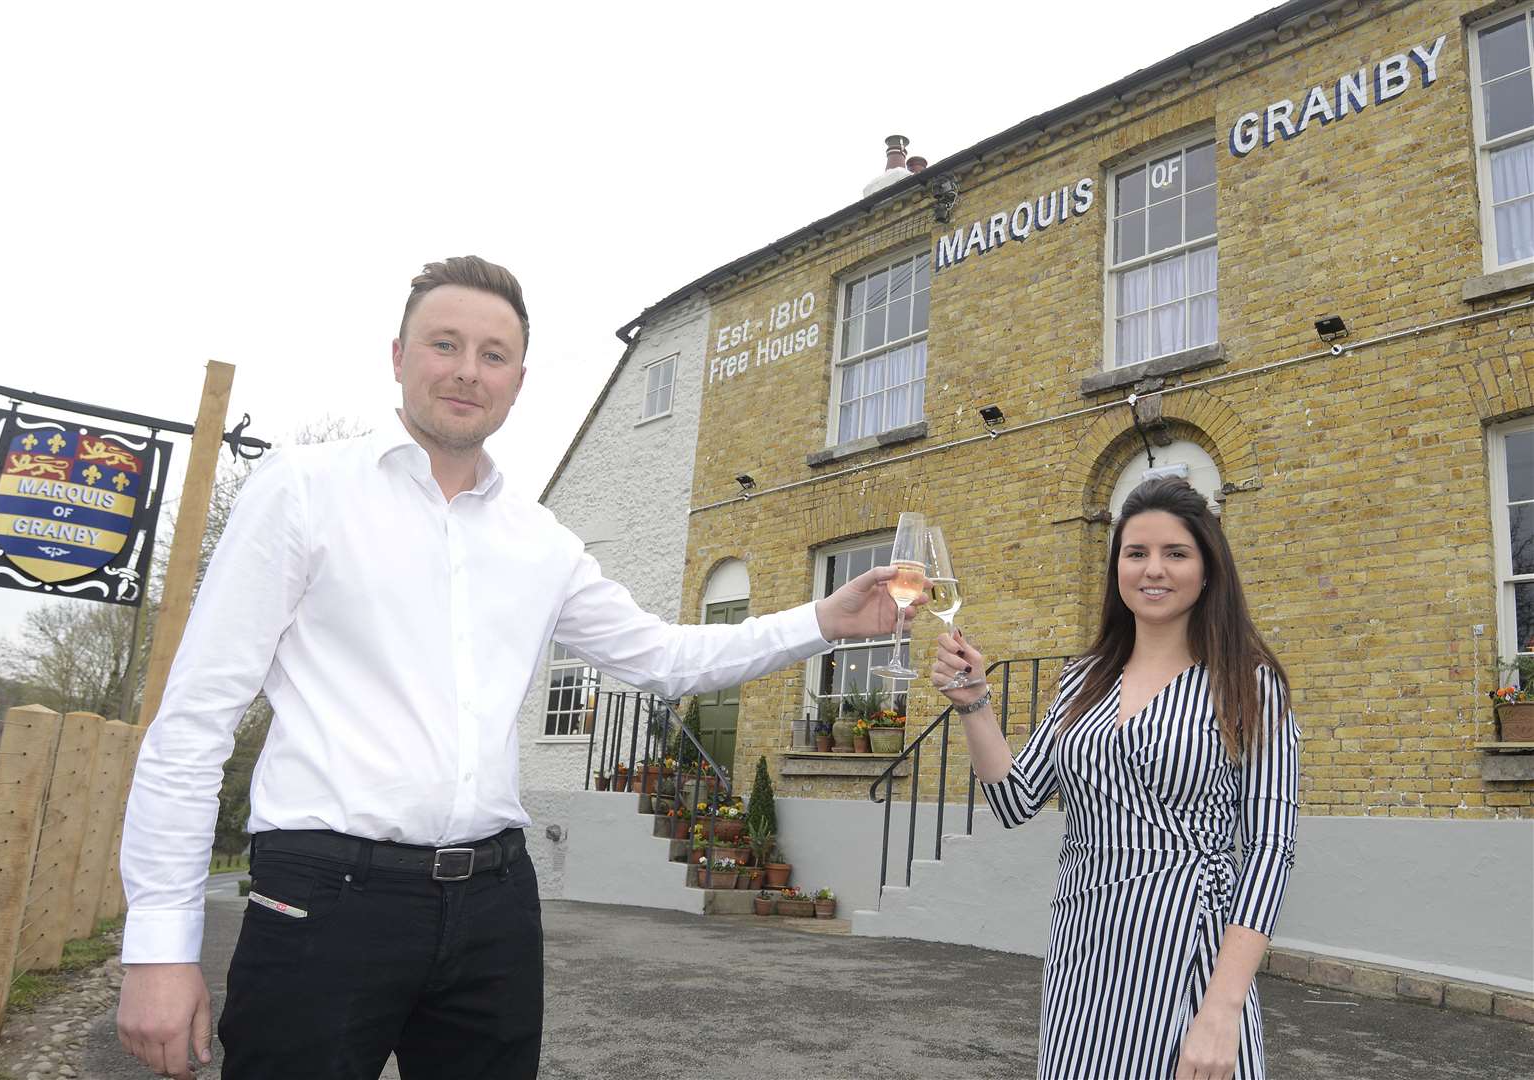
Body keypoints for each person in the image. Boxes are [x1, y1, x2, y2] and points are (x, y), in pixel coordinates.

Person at [115, 256, 920, 1080]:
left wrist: (822, 619)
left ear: (518, 379)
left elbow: (664, 658)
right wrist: (158, 947)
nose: (468, 371)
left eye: (493, 355)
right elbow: (194, 722)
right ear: (398, 356)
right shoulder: (303, 492)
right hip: (324, 895)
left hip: (493, 905)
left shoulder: (539, 540)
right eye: (445, 344)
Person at [932, 477, 1299, 1080]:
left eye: (1175, 553)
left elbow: (1268, 850)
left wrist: (1223, 1008)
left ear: (1208, 570)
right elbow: (1016, 801)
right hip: (1083, 956)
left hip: (1187, 956)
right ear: (1117, 568)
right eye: (1136, 553)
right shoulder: (1082, 681)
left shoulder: (1247, 684)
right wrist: (974, 704)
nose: (1153, 569)